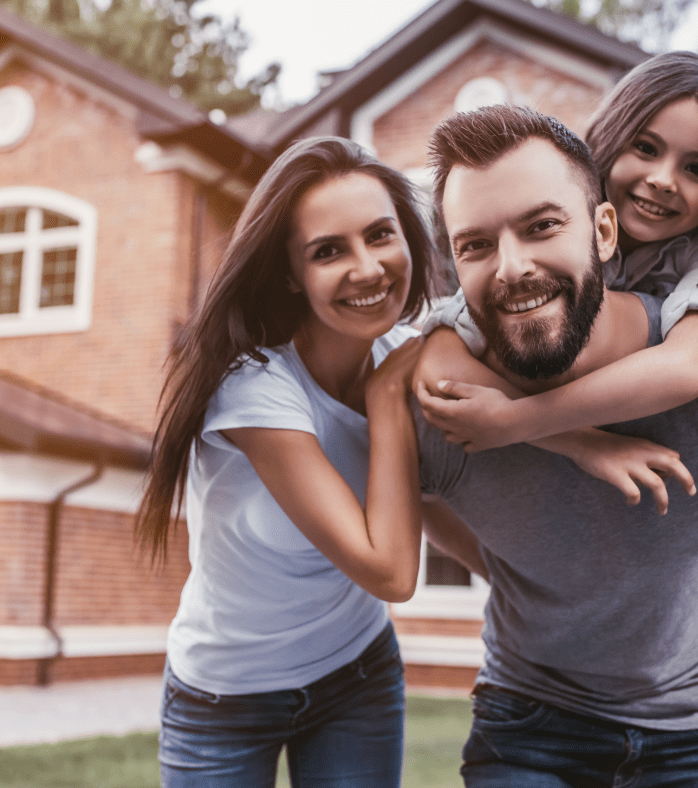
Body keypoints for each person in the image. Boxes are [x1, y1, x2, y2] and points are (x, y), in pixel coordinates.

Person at [416, 53, 698, 785]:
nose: (664, 178)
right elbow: (426, 390)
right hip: (534, 706)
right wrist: (519, 562)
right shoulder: (527, 268)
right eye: (645, 147)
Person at [134, 136, 470, 787]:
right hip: (223, 698)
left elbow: (432, 494)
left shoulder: (409, 352)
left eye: (380, 235)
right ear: (291, 273)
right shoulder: (253, 388)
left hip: (357, 675)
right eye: (328, 250)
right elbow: (390, 571)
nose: (368, 267)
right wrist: (385, 396)